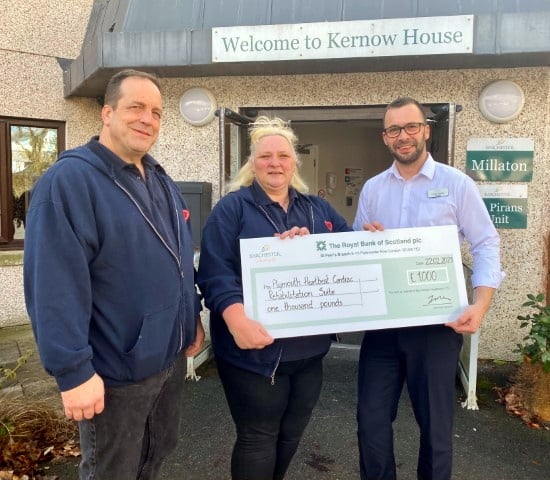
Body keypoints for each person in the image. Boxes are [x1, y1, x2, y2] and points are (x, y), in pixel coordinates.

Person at [23, 69, 205, 479]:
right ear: (107, 113)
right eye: (136, 107)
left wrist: (190, 316)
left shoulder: (159, 179)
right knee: (113, 471)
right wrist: (73, 371)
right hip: (115, 373)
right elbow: (52, 286)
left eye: (156, 112)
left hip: (167, 361)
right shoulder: (70, 182)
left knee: (154, 457)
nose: (147, 119)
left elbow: (177, 259)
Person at [353, 97, 505, 480]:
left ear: (425, 130)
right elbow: (357, 250)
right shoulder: (372, 189)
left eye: (410, 127)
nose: (403, 136)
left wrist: (480, 305)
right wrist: (365, 239)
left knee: (436, 431)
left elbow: (486, 243)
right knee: (371, 423)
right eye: (394, 129)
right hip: (384, 327)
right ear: (385, 137)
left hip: (438, 326)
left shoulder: (456, 184)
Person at [197, 116, 351, 480]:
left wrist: (368, 238)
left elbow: (349, 249)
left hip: (309, 352)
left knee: (290, 435)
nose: (275, 163)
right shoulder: (232, 209)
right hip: (254, 355)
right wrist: (236, 320)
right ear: (252, 164)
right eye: (265, 156)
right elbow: (215, 273)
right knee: (258, 438)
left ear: (294, 162)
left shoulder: (317, 209)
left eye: (283, 155)